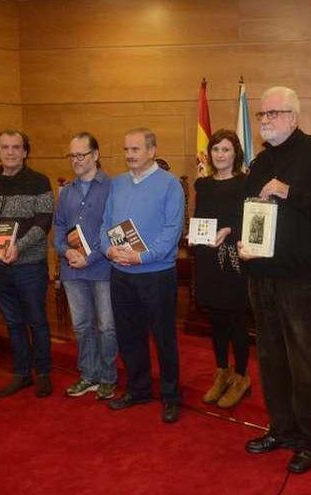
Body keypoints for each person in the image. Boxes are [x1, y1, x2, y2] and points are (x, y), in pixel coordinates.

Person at [240, 86, 311, 474]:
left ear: (294, 116)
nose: (265, 120)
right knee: (269, 357)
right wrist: (244, 242)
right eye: (262, 114)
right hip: (261, 274)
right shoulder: (259, 161)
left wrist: (290, 191)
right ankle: (281, 428)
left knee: (302, 359)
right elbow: (252, 212)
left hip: (299, 277)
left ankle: (309, 438)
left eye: (274, 113)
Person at [101, 127, 185, 424]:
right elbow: (106, 222)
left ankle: (171, 396)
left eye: (135, 150)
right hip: (120, 273)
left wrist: (143, 256)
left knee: (163, 338)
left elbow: (173, 230)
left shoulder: (170, 184)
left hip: (156, 274)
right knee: (129, 335)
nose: (129, 155)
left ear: (152, 151)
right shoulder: (118, 183)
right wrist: (108, 250)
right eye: (126, 150)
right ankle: (138, 389)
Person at [0, 129, 54, 398]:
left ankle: (43, 373)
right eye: (5, 147)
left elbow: (44, 222)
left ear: (25, 152)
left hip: (30, 265)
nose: (10, 152)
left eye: (16, 147)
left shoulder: (39, 182)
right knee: (12, 322)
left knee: (37, 321)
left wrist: (18, 248)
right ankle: (21, 374)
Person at [53, 132, 117, 400]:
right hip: (72, 270)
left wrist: (89, 257)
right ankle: (88, 375)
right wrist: (66, 252)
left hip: (102, 268)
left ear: (95, 155)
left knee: (106, 326)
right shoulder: (66, 191)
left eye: (81, 155)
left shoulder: (113, 187)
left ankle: (107, 377)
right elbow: (57, 228)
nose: (76, 160)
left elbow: (113, 230)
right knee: (81, 325)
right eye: (72, 156)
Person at [193, 129, 250, 408]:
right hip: (208, 260)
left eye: (226, 150)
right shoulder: (202, 185)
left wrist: (230, 229)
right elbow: (199, 218)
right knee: (216, 322)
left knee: (237, 322)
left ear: (235, 153)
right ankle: (221, 373)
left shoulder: (246, 183)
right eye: (216, 150)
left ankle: (241, 377)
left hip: (234, 261)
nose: (220, 155)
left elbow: (253, 222)